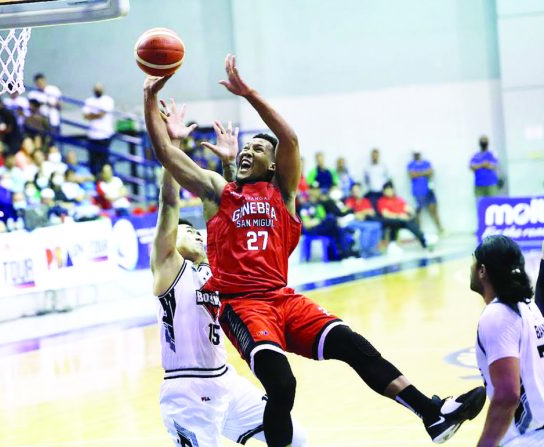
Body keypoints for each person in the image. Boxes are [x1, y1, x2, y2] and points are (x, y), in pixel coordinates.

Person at [144, 54, 486, 447]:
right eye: (246, 148)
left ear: (273, 166)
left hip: (283, 300)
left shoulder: (282, 195)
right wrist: (150, 100)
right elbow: (167, 157)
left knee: (353, 345)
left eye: (258, 149)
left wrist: (249, 93)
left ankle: (430, 413)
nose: (247, 152)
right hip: (242, 306)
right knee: (282, 383)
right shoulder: (220, 193)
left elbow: (289, 139)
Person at [152, 101, 306, 446]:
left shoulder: (216, 268)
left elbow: (232, 206)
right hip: (186, 389)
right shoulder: (168, 268)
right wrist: (174, 144)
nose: (192, 233)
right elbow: (169, 207)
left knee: (297, 438)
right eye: (184, 231)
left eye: (196, 231)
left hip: (226, 382)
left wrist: (230, 161)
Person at [470, 236, 544, 447]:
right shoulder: (528, 306)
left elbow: (507, 394)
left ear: (482, 270)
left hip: (526, 437)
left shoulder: (498, 315)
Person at [377, 182, 428, 250]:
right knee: (405, 221)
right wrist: (399, 216)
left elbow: (407, 207)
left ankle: (423, 239)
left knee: (410, 220)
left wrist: (412, 212)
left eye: (390, 189)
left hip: (403, 220)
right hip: (391, 220)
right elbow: (385, 214)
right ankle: (423, 238)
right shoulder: (382, 201)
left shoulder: (398, 199)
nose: (389, 192)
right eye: (387, 190)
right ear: (384, 191)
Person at [83, 82, 115, 175]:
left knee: (104, 161)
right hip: (92, 136)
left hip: (105, 135)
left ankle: (105, 179)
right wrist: (97, 114)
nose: (98, 90)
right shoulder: (89, 101)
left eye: (100, 88)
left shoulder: (108, 100)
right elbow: (85, 116)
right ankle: (95, 181)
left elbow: (102, 114)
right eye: (96, 88)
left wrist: (92, 114)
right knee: (92, 161)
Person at [408, 151, 443, 233]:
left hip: (428, 190)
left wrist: (418, 173)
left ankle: (440, 229)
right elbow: (412, 175)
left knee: (433, 210)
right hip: (418, 191)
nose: (416, 155)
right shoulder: (410, 164)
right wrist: (424, 172)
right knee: (418, 212)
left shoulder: (426, 162)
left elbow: (431, 172)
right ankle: (418, 231)